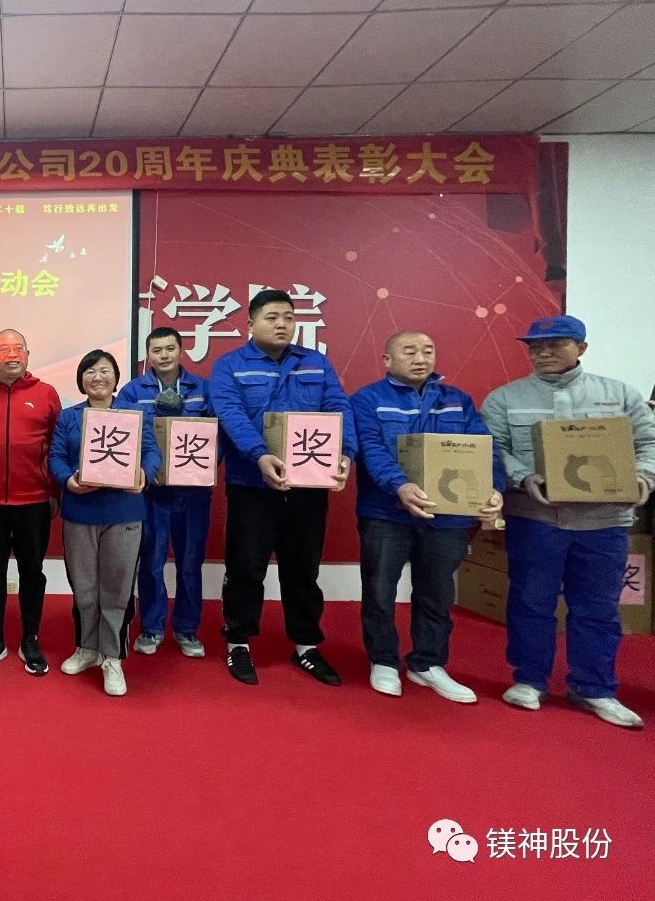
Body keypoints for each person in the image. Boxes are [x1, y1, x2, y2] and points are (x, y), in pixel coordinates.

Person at [482, 315, 655, 730]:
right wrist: (523, 476)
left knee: (598, 608)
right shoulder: (505, 399)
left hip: (605, 521)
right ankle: (529, 680)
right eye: (534, 346)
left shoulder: (620, 395)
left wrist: (643, 478)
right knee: (530, 602)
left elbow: (648, 442)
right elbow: (493, 448)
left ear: (581, 348)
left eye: (555, 344)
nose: (542, 352)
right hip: (535, 518)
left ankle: (594, 687)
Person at [209, 289, 355, 687]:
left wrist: (344, 453)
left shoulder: (315, 362)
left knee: (303, 569)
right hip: (251, 485)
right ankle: (238, 641)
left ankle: (306, 645)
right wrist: (259, 455)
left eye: (288, 318)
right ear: (250, 324)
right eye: (272, 317)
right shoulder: (229, 366)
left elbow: (339, 407)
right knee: (245, 568)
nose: (281, 324)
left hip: (308, 486)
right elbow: (230, 415)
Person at [351, 331, 505, 703]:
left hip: (447, 517)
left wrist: (494, 488)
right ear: (387, 359)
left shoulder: (457, 401)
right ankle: (383, 660)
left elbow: (485, 449)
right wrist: (399, 486)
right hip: (386, 513)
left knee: (437, 593)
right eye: (409, 351)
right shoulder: (367, 399)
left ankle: (428, 663)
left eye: (427, 351)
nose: (420, 358)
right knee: (379, 590)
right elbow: (370, 449)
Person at [49, 349, 160, 697]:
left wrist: (144, 473)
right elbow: (55, 457)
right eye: (90, 372)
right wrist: (68, 481)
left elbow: (151, 452)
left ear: (116, 378)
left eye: (105, 371)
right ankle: (86, 648)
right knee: (84, 588)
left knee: (117, 589)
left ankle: (112, 657)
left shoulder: (135, 415)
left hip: (124, 512)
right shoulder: (69, 417)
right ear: (81, 380)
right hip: (80, 513)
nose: (97, 377)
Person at [0, 328, 61, 676]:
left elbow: (59, 446)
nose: (11, 354)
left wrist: (54, 492)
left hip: (33, 501)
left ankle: (30, 638)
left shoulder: (46, 394)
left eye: (18, 348)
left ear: (28, 354)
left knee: (32, 571)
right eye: (3, 350)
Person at [115, 326, 215, 659]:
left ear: (181, 350)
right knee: (152, 561)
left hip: (194, 494)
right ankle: (152, 627)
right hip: (152, 493)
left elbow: (219, 436)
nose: (164, 355)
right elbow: (121, 435)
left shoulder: (202, 390)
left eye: (170, 349)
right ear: (148, 355)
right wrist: (143, 471)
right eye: (157, 350)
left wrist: (205, 468)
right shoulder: (132, 391)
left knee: (190, 563)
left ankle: (187, 628)